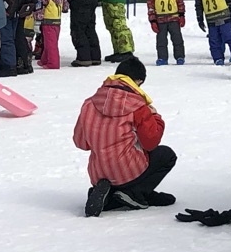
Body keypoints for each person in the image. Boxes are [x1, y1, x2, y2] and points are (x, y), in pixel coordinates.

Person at [71, 56, 178, 215]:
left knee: (124, 155)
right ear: (138, 82)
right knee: (166, 155)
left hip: (98, 172)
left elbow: (81, 142)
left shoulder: (89, 103)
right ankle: (135, 193)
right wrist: (155, 117)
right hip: (127, 171)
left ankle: (108, 197)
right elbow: (150, 142)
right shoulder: (138, 105)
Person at [147, 0, 185, 66]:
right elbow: (151, 8)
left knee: (177, 39)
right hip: (160, 21)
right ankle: (162, 58)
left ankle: (180, 57)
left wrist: (181, 16)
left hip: (174, 19)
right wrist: (152, 21)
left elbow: (180, 2)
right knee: (161, 42)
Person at [35, 0, 67, 69]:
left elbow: (39, 10)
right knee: (50, 42)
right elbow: (66, 7)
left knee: (50, 44)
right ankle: (45, 59)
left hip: (47, 23)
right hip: (57, 23)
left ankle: (53, 63)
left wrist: (37, 20)